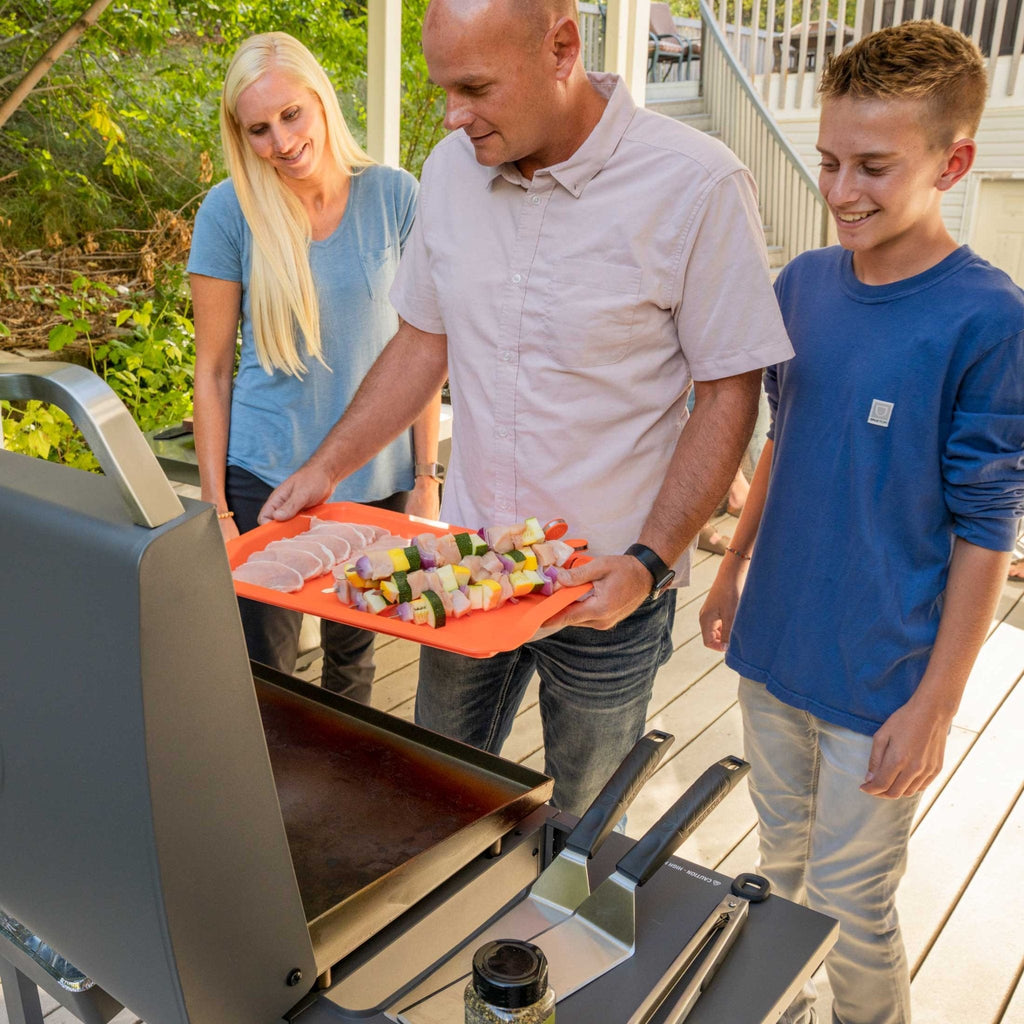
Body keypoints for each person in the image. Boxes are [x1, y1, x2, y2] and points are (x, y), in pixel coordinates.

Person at [259, 0, 793, 815]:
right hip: (467, 557)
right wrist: (326, 468)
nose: (451, 114)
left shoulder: (697, 181)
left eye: (475, 86)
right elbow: (419, 344)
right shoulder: (448, 170)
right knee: (435, 792)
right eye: (442, 89)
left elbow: (729, 390)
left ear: (562, 48)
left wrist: (649, 563)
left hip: (608, 580)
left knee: (584, 820)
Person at [699, 22, 1024, 1024]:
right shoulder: (799, 285)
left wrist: (935, 701)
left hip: (880, 682)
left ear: (953, 160)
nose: (841, 190)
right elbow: (778, 444)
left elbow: (986, 524)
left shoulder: (987, 317)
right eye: (830, 160)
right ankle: (781, 1010)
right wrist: (729, 569)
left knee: (852, 902)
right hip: (773, 647)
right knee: (777, 873)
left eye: (874, 166)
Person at [188, 31, 441, 703]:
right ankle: (262, 807)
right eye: (260, 129)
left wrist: (425, 478)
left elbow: (421, 348)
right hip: (265, 478)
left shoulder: (396, 197)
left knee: (352, 666)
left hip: (376, 480)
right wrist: (215, 508)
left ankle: (338, 799)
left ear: (321, 100)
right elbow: (211, 372)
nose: (281, 141)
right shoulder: (229, 212)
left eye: (291, 115)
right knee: (263, 678)